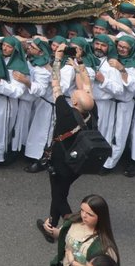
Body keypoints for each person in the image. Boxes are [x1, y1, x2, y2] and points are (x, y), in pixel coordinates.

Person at [39, 41, 96, 240]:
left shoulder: (65, 111)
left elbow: (55, 84)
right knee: (61, 191)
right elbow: (87, 85)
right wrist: (79, 62)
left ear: (75, 102)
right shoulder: (92, 110)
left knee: (59, 196)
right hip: (79, 162)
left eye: (75, 94)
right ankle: (51, 224)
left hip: (61, 161)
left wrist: (57, 59)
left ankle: (75, 229)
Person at [51, 194, 119, 266]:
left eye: (90, 214)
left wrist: (73, 262)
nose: (83, 215)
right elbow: (62, 236)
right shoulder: (73, 222)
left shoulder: (105, 247)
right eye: (82, 210)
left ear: (100, 217)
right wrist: (51, 231)